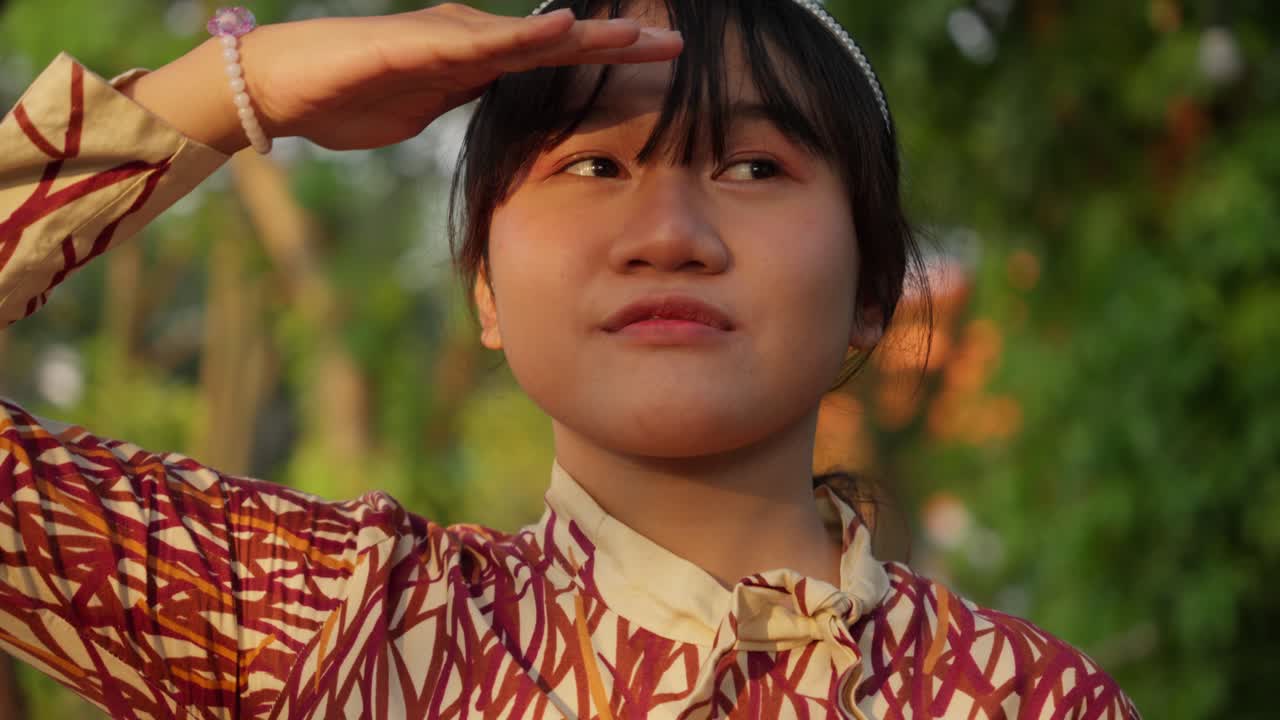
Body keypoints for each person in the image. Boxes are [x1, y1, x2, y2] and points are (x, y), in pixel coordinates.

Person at [0, 1, 1139, 718]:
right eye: (593, 167)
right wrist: (238, 91)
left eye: (751, 168)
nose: (668, 236)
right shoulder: (334, 625)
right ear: (485, 287)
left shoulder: (1028, 700)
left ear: (871, 291)